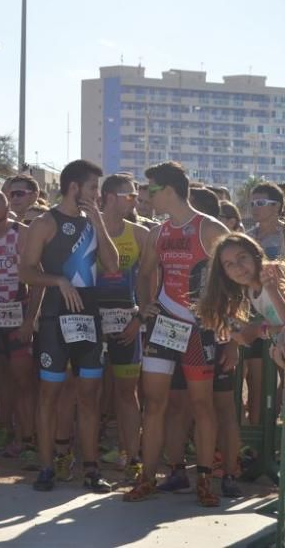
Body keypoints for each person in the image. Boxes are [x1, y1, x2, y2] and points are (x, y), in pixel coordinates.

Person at [120, 162, 227, 507]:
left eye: (149, 190)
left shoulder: (210, 228)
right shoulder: (158, 232)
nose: (144, 197)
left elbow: (229, 284)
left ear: (167, 190)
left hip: (199, 328)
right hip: (164, 324)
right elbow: (145, 273)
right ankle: (148, 478)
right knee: (154, 404)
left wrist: (224, 332)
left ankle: (205, 480)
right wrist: (145, 305)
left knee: (202, 405)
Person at [20, 159, 119, 494]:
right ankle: (47, 466)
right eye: (93, 187)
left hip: (89, 319)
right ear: (74, 187)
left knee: (89, 396)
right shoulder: (46, 222)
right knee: (50, 394)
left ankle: (91, 469)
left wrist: (99, 224)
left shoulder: (93, 222)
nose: (97, 194)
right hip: (53, 320)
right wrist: (58, 280)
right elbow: (26, 271)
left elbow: (113, 265)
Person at [197, 232, 285, 495]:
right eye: (229, 264)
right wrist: (242, 337)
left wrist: (264, 327)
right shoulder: (247, 289)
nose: (238, 268)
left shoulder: (273, 274)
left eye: (242, 258)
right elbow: (239, 329)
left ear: (256, 254)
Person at [0, 189, 41, 471]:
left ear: (7, 213)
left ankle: (27, 440)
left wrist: (30, 321)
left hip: (17, 315)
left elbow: (37, 279)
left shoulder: (22, 234)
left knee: (23, 381)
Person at [95, 174, 150, 483]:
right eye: (130, 196)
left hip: (127, 323)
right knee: (87, 391)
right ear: (111, 197)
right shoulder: (88, 230)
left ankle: (132, 455)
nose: (136, 201)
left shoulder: (140, 234)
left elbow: (149, 284)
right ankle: (84, 455)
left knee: (126, 394)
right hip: (90, 322)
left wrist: (140, 319)